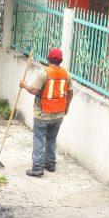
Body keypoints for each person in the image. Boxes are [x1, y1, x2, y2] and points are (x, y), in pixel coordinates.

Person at [19, 47, 71, 177]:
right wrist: (67, 106)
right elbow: (70, 92)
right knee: (51, 138)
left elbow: (35, 91)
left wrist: (24, 86)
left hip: (43, 113)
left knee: (39, 138)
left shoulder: (44, 73)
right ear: (61, 61)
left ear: (48, 59)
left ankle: (37, 168)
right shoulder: (66, 74)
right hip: (59, 113)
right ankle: (50, 164)